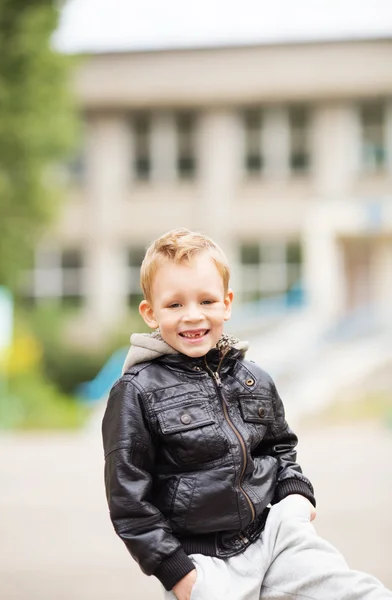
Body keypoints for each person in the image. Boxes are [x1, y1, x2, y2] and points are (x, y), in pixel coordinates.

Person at [102, 228, 392, 600]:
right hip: (201, 560)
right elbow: (127, 499)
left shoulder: (252, 377)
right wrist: (176, 572)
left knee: (363, 594)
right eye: (175, 305)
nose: (193, 316)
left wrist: (296, 496)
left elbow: (280, 446)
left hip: (274, 535)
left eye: (206, 301)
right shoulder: (136, 391)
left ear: (227, 303)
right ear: (150, 313)